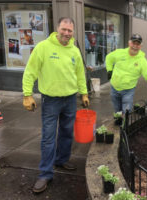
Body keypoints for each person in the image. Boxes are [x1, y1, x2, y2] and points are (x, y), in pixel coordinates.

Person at [22, 17, 89, 193]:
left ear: (73, 32)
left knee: (67, 133)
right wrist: (27, 94)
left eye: (70, 31)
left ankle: (61, 159)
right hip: (50, 100)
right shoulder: (43, 47)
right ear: (57, 29)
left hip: (70, 100)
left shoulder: (74, 51)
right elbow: (30, 71)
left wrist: (84, 93)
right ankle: (45, 173)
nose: (66, 33)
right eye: (64, 29)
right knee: (48, 137)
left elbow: (80, 74)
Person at [105, 33, 147, 114]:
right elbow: (108, 58)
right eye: (134, 43)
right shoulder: (119, 53)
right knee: (117, 111)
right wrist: (109, 70)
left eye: (138, 44)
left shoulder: (142, 61)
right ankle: (119, 122)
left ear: (141, 46)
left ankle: (125, 125)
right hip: (114, 88)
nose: (135, 46)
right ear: (129, 43)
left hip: (128, 91)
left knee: (126, 113)